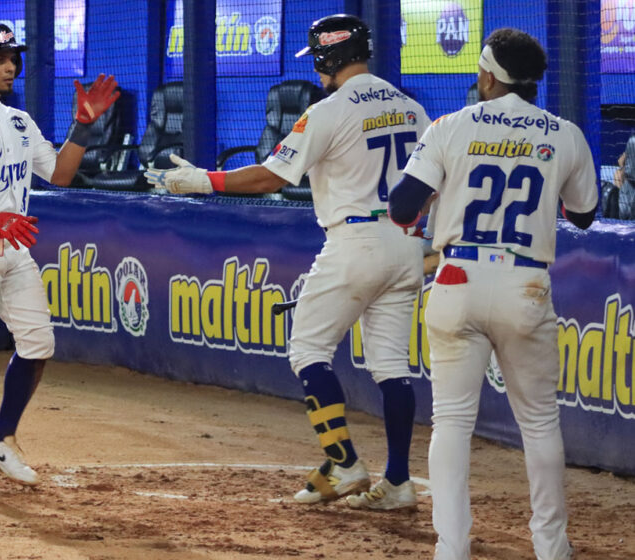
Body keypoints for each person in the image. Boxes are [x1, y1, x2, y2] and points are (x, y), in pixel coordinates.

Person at [146, 14, 430, 510]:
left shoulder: (330, 109)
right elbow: (430, 183)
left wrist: (204, 181)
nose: (317, 69)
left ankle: (343, 462)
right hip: (406, 243)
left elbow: (271, 177)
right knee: (390, 367)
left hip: (354, 241)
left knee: (308, 349)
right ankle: (398, 482)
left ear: (329, 56)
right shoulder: (412, 108)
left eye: (318, 58)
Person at [388, 28, 597, 560]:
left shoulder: (450, 126)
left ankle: (451, 548)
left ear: (487, 76)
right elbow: (584, 214)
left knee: (452, 423)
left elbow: (402, 207)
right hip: (525, 283)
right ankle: (551, 547)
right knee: (539, 422)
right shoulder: (565, 133)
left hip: (457, 277)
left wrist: (444, 189)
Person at [0, 21, 119, 492]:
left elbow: (61, 174)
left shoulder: (18, 121)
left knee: (38, 343)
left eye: (14, 59)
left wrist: (83, 126)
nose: (11, 66)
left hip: (11, 246)